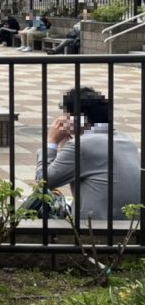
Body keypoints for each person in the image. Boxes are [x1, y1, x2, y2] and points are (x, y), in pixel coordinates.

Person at [35, 87, 139, 221]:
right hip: (132, 225)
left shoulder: (81, 145)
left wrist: (51, 142)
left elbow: (43, 181)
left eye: (66, 115)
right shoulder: (127, 140)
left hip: (96, 228)